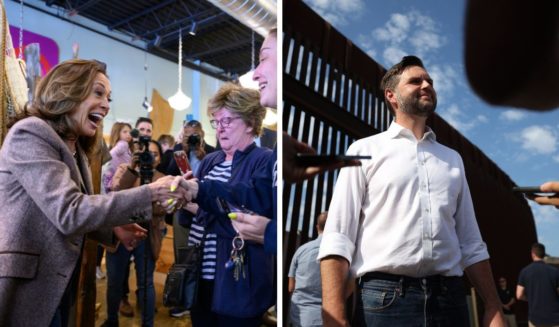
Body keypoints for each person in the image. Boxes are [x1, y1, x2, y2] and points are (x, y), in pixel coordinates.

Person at [317, 56, 506, 326]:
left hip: (450, 301)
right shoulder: (363, 151)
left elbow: (470, 241)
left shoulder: (453, 159)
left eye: (429, 80)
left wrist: (493, 306)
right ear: (391, 96)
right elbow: (338, 236)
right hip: (385, 303)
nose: (427, 84)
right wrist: (333, 313)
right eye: (416, 81)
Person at [0, 59, 184, 326]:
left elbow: (58, 213)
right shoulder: (31, 133)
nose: (107, 104)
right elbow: (70, 211)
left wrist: (112, 230)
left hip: (58, 283)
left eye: (109, 97)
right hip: (28, 286)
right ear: (67, 90)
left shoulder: (76, 148)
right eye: (98, 93)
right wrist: (150, 193)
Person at [186, 82, 274, 326]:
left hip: (238, 282)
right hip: (199, 273)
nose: (220, 129)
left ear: (249, 123)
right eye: (217, 122)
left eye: (228, 121)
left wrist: (196, 201)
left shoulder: (264, 160)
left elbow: (246, 219)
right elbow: (194, 215)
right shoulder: (210, 161)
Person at [103, 140, 171, 327]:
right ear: (135, 154)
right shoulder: (125, 169)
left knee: (146, 284)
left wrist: (129, 207)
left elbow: (161, 209)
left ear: (159, 158)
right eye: (145, 153)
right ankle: (111, 320)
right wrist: (132, 169)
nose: (150, 157)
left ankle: (147, 324)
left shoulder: (162, 177)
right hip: (119, 233)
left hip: (147, 236)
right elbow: (114, 196)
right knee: (114, 282)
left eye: (155, 154)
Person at [288, 212, 328, 327]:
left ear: (317, 227)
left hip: (300, 316)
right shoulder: (339, 253)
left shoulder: (301, 250)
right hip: (327, 317)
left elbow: (291, 287)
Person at [516, 243, 559, 326]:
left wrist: (531, 298)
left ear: (532, 254)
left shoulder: (525, 272)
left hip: (535, 320)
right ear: (543, 253)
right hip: (555, 319)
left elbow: (519, 295)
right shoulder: (555, 271)